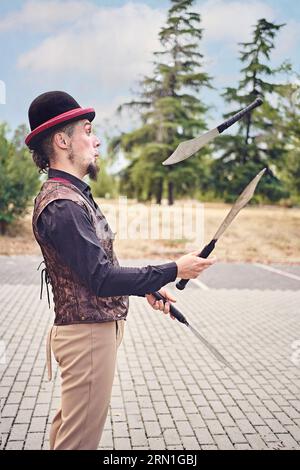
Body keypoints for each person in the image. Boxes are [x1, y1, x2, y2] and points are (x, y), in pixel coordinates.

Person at [26, 91, 216, 450]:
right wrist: (175, 268)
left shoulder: (69, 195)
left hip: (90, 335)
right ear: (62, 140)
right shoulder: (63, 205)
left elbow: (95, 270)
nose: (96, 139)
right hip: (88, 339)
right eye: (87, 130)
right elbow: (100, 278)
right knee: (78, 442)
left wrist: (148, 286)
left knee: (69, 434)